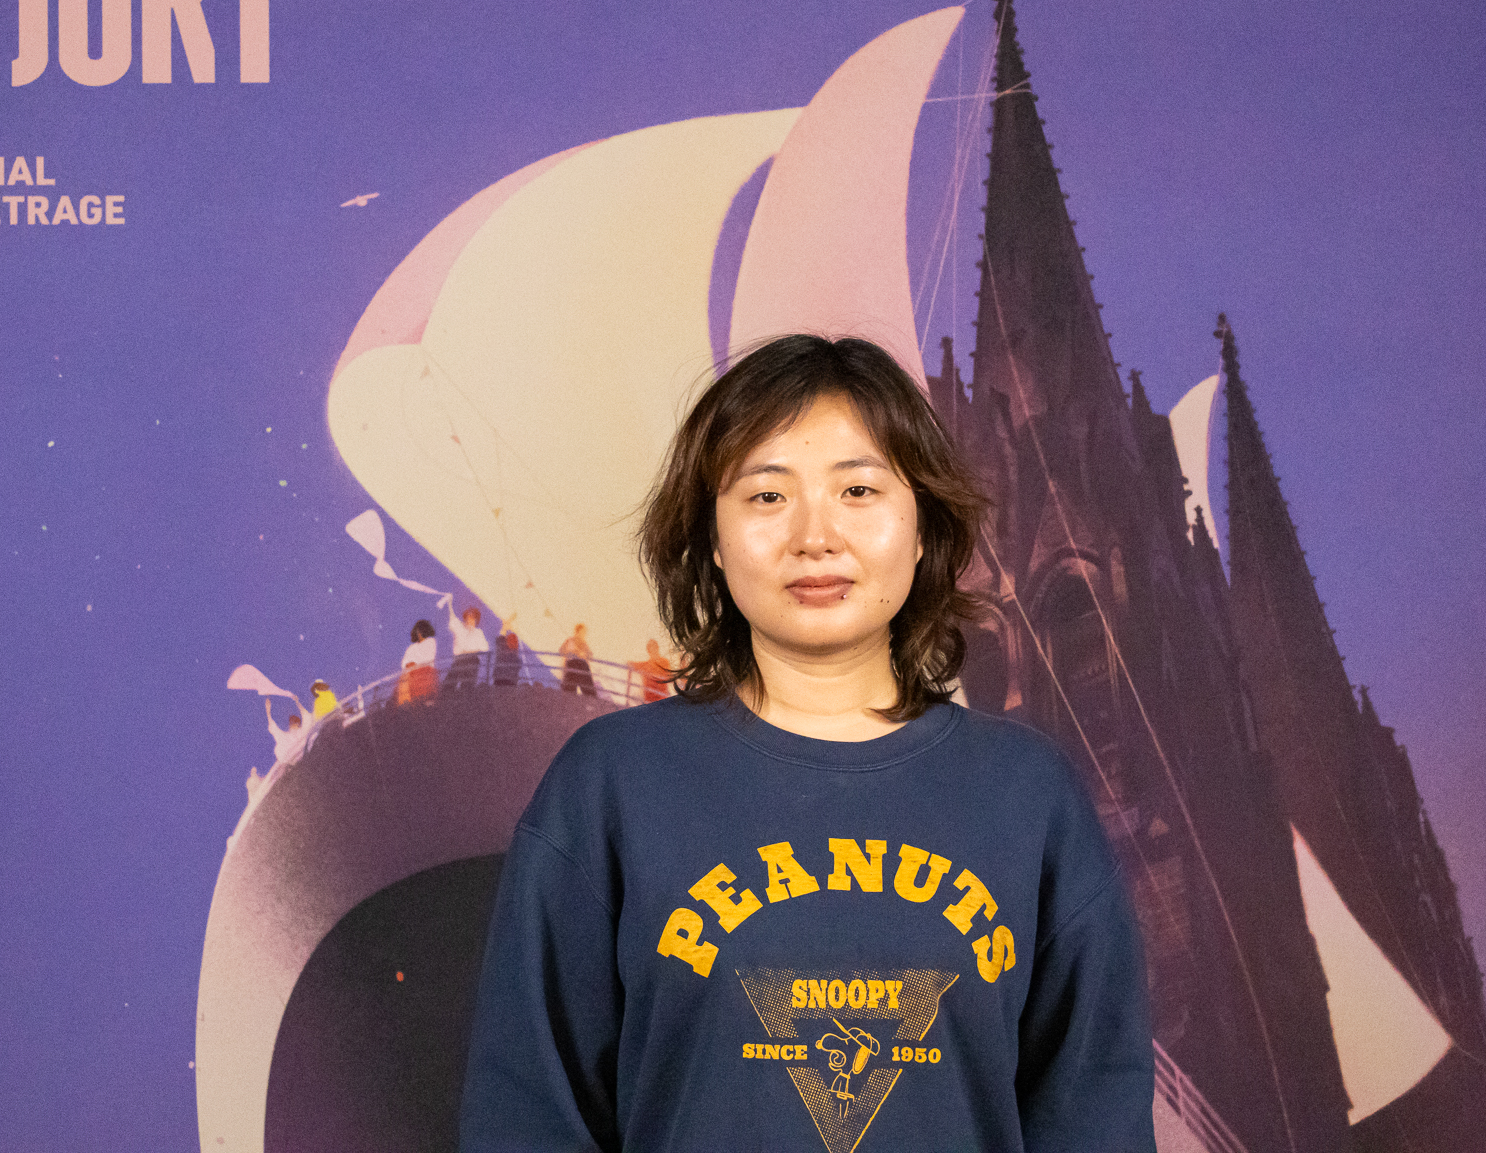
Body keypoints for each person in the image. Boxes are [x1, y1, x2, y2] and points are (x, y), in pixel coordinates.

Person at [458, 335, 1152, 1152]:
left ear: (922, 528)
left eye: (858, 490)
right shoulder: (609, 786)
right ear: (713, 540)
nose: (815, 536)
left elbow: (1094, 1115)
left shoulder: (1028, 796)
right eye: (767, 495)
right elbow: (526, 1119)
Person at [445, 602, 490, 689]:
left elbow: (485, 648)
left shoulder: (478, 632)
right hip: (459, 660)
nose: (470, 620)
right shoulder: (460, 628)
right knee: (449, 684)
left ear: (476, 620)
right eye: (468, 617)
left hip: (472, 661)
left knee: (467, 686)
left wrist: (470, 651)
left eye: (473, 618)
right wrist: (449, 603)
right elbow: (452, 618)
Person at [397, 619, 437, 705]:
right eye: (418, 630)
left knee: (425, 701)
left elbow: (428, 658)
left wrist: (414, 663)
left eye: (421, 630)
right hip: (411, 677)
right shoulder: (411, 647)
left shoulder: (431, 642)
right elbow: (404, 663)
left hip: (425, 675)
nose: (419, 633)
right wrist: (410, 665)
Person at [627, 637, 673, 702]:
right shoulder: (645, 665)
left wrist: (656, 677)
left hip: (661, 698)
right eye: (652, 650)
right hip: (649, 700)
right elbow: (630, 664)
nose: (654, 652)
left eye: (655, 649)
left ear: (657, 649)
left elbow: (670, 678)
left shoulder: (664, 662)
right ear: (649, 652)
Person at [558, 623, 598, 697]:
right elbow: (561, 651)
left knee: (588, 690)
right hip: (572, 666)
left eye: (584, 632)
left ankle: (590, 697)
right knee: (569, 692)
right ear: (577, 631)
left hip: (582, 668)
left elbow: (590, 656)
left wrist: (584, 654)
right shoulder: (570, 641)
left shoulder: (584, 643)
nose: (584, 634)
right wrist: (572, 651)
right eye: (582, 632)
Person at [491, 619, 523, 687]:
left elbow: (500, 640)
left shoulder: (501, 652)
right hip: (511, 682)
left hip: (499, 680)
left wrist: (504, 628)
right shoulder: (516, 657)